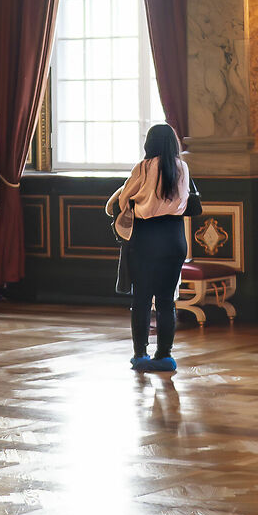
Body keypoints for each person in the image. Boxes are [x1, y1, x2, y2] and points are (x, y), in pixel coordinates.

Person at [109, 123, 190, 374]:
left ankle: (140, 354)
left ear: (149, 143)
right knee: (166, 301)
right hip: (175, 237)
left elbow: (123, 200)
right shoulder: (182, 167)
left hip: (146, 238)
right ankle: (165, 356)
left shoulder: (143, 167)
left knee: (142, 299)